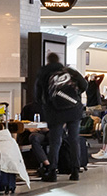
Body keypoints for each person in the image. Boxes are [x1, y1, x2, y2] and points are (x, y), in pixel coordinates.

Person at [36, 53, 88, 181]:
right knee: (74, 140)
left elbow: (38, 95)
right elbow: (84, 85)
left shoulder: (44, 73)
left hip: (55, 111)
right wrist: (75, 97)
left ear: (48, 61)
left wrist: (46, 106)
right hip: (74, 109)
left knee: (55, 142)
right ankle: (75, 171)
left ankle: (52, 171)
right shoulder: (70, 71)